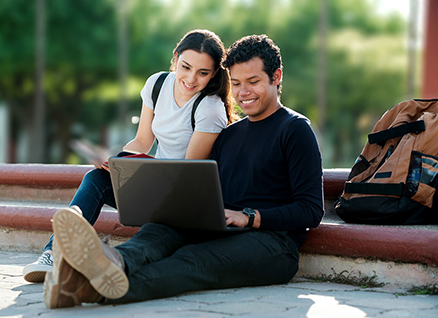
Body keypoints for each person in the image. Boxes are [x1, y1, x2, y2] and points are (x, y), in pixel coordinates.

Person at [42, 34, 324, 309]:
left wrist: (250, 218)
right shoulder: (229, 134)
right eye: (236, 83)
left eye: (253, 82)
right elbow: (209, 187)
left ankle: (85, 288)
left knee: (192, 260)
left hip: (273, 243)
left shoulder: (295, 129)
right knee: (157, 233)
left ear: (276, 77)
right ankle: (107, 263)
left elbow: (311, 210)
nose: (243, 93)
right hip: (221, 225)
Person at [23, 29, 235, 283]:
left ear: (214, 74)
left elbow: (186, 173)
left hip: (184, 199)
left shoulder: (209, 108)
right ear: (175, 58)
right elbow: (143, 141)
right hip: (158, 187)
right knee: (96, 179)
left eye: (203, 73)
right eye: (185, 67)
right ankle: (52, 254)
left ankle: (97, 262)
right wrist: (117, 161)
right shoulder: (157, 84)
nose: (191, 79)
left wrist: (143, 174)